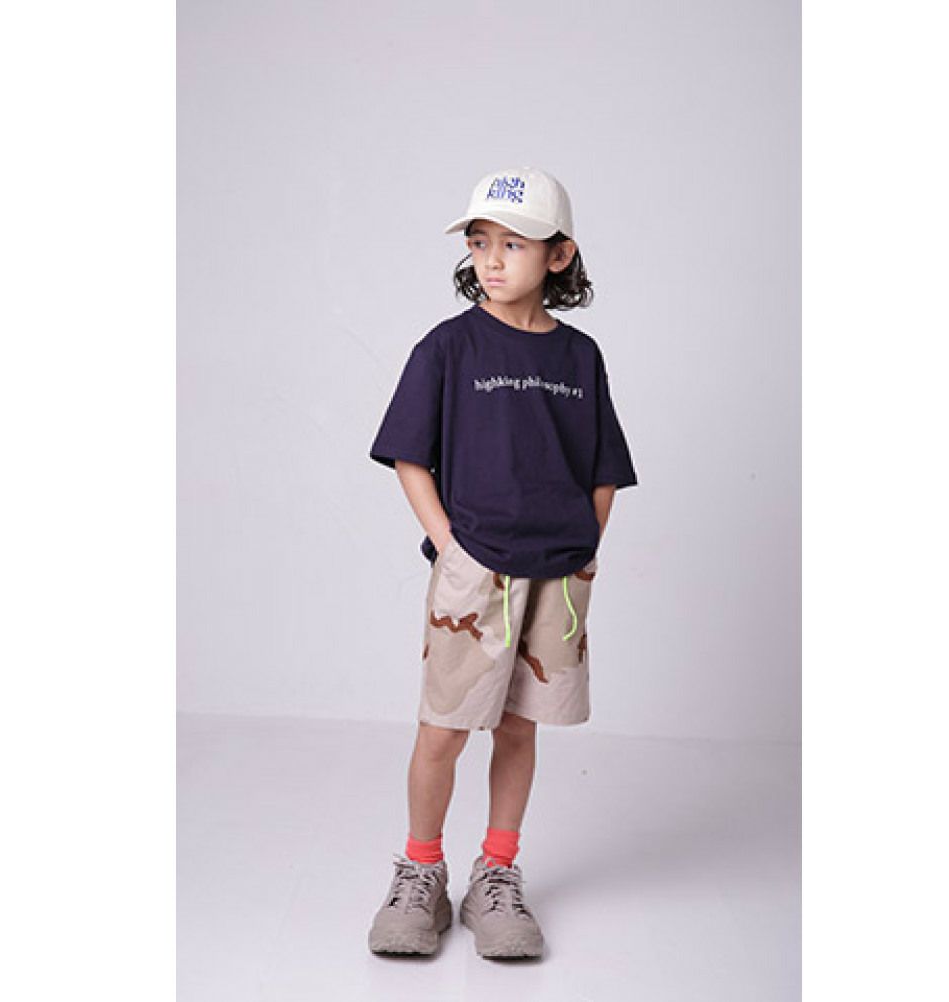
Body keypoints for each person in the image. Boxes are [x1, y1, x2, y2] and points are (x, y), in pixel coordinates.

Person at [366, 166, 638, 959]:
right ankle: (421, 872)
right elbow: (409, 456)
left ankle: (497, 873)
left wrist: (584, 547)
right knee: (444, 730)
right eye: (481, 242)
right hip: (474, 570)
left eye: (513, 245)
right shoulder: (448, 347)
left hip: (559, 575)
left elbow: (603, 467)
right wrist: (450, 543)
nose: (491, 259)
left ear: (559, 255)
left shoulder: (581, 357)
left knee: (519, 728)